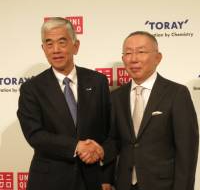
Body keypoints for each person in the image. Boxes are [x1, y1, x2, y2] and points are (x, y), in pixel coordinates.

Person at [17, 17, 113, 190]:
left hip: (92, 180)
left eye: (62, 42)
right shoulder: (31, 88)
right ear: (43, 49)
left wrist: (106, 177)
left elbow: (109, 132)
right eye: (49, 44)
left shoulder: (98, 81)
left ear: (75, 46)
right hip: (49, 181)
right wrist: (76, 146)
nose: (56, 50)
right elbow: (35, 135)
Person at [106, 31, 199, 190]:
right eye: (128, 53)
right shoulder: (116, 97)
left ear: (158, 57)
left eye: (141, 52)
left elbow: (187, 151)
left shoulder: (176, 93)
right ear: (123, 59)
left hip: (163, 185)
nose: (134, 58)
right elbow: (113, 142)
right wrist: (105, 178)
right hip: (123, 184)